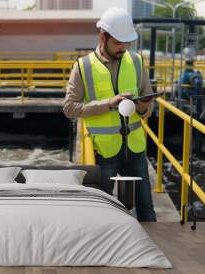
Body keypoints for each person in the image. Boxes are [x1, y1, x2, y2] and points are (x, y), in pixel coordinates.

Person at [63, 7, 156, 221]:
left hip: (135, 148)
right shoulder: (83, 66)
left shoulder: (137, 61)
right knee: (103, 214)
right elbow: (69, 108)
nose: (123, 48)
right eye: (118, 43)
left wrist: (143, 107)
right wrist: (108, 104)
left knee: (147, 211)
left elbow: (147, 101)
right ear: (103, 37)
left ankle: (150, 251)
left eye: (127, 43)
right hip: (104, 153)